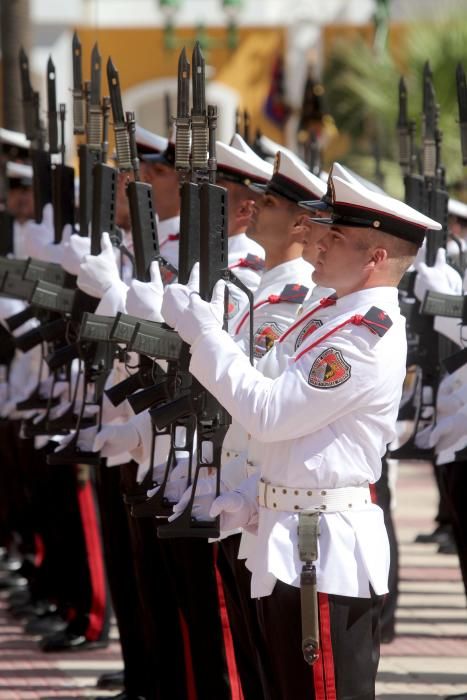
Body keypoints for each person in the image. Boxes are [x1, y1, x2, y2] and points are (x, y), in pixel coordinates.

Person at [161, 168, 442, 699]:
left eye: (336, 237)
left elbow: (269, 411)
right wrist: (250, 492)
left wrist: (204, 334)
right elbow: (294, 433)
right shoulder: (332, 318)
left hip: (322, 550)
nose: (318, 243)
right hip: (287, 530)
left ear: (375, 258)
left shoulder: (362, 338)